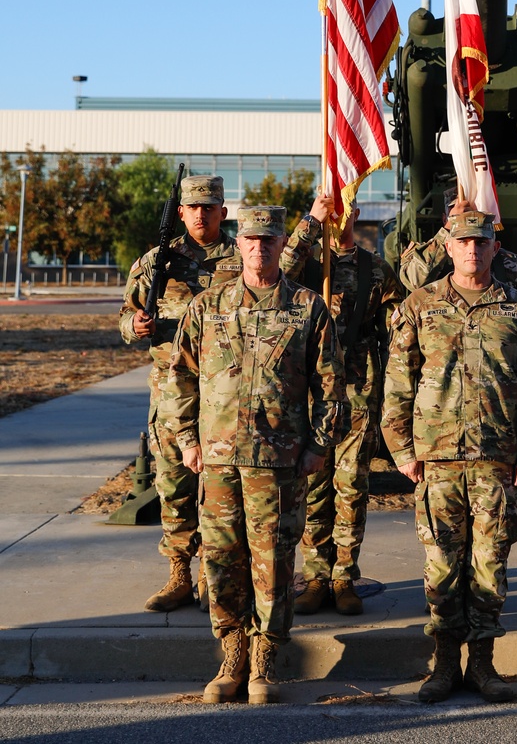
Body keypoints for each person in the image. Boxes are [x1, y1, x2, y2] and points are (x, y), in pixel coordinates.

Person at [161, 205, 344, 707]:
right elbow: (180, 376)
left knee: (274, 564)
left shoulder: (306, 306)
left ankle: (265, 659)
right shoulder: (209, 305)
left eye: (269, 239)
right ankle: (232, 655)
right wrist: (188, 441)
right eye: (251, 239)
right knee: (221, 561)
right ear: (238, 242)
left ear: (283, 242)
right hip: (218, 461)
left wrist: (318, 447)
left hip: (279, 462)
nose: (259, 247)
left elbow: (331, 384)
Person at [119, 174, 329, 612]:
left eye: (209, 207)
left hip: (235, 398)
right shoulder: (158, 262)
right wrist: (133, 326)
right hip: (174, 393)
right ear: (181, 212)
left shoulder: (242, 254)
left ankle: (211, 577)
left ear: (222, 212)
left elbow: (284, 271)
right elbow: (126, 315)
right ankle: (179, 570)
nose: (201, 214)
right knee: (175, 483)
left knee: (222, 496)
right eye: (193, 208)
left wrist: (311, 221)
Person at [382, 210, 517, 705]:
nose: (473, 250)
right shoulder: (420, 305)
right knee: (441, 567)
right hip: (435, 461)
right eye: (464, 242)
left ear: (494, 249)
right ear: (450, 247)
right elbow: (398, 384)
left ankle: (482, 665)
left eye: (481, 243)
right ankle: (442, 665)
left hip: (496, 461)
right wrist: (401, 450)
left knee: (489, 566)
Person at [294, 203, 404, 616]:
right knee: (313, 488)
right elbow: (278, 273)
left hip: (357, 395)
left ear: (355, 214)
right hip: (308, 397)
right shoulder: (305, 266)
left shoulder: (374, 269)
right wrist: (310, 223)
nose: (338, 215)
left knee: (351, 489)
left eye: (344, 208)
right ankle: (316, 576)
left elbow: (400, 323)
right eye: (331, 208)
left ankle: (343, 577)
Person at [397, 190, 517, 309]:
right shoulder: (427, 253)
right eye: (455, 212)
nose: (466, 217)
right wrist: (451, 227)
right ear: (444, 218)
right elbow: (414, 280)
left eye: (472, 211)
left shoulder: (509, 263)